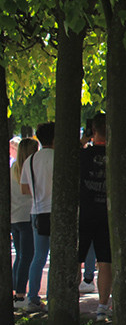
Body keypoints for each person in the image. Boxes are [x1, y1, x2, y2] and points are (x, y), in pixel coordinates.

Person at [79, 113, 113, 322]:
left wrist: (84, 138)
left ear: (92, 131)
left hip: (85, 211)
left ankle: (70, 302)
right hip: (107, 213)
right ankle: (102, 306)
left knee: (77, 258)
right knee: (106, 261)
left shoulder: (82, 154)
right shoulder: (116, 155)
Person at [20, 122, 55, 314]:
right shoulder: (60, 157)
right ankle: (53, 295)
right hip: (56, 212)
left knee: (38, 257)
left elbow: (24, 189)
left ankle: (33, 297)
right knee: (57, 256)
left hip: (37, 210)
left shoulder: (31, 160)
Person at [11, 137, 39, 310]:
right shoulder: (29, 168)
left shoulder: (13, 167)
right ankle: (21, 294)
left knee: (21, 256)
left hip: (15, 216)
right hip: (27, 215)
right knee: (28, 256)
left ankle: (17, 291)